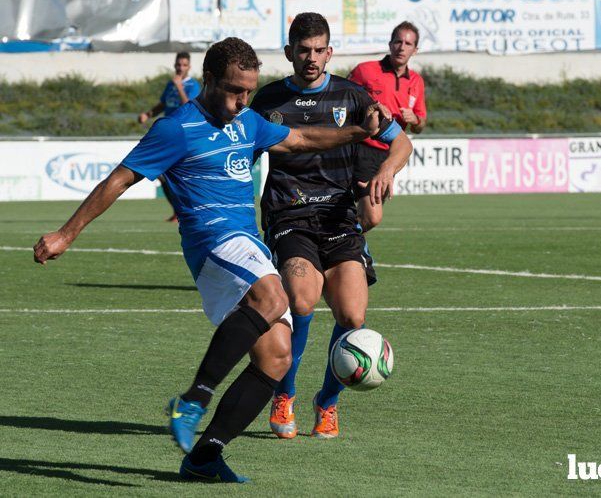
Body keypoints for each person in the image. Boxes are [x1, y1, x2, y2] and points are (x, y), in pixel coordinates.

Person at [33, 37, 388, 483]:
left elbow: (299, 139)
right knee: (275, 296)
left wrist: (358, 133)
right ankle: (192, 399)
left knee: (277, 357)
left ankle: (204, 456)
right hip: (212, 242)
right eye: (234, 91)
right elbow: (117, 181)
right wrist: (66, 234)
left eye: (248, 91)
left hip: (245, 245)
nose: (243, 101)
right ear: (208, 81)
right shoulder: (175, 128)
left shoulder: (249, 122)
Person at [250, 12, 412, 440]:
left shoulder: (353, 96)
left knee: (353, 315)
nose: (311, 58)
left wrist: (386, 172)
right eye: (303, 50)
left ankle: (328, 401)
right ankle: (284, 395)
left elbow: (402, 142)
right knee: (301, 302)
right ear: (289, 53)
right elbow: (244, 155)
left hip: (339, 218)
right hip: (289, 214)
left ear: (329, 52)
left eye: (319, 50)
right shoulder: (266, 101)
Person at [348, 21, 427, 231]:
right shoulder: (365, 71)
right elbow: (342, 103)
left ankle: (342, 248)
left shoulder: (417, 82)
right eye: (398, 41)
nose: (402, 47)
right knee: (372, 216)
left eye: (408, 43)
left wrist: (415, 120)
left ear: (415, 50)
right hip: (361, 149)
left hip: (390, 157)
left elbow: (421, 125)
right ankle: (340, 248)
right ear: (390, 44)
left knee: (363, 215)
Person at [138, 52, 202, 222]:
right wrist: (148, 114)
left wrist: (180, 87)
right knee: (162, 174)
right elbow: (163, 104)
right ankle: (179, 211)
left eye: (184, 65)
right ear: (174, 65)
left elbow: (189, 107)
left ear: (189, 67)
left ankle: (187, 211)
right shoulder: (170, 84)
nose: (180, 68)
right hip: (168, 133)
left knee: (178, 175)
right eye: (178, 65)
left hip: (184, 134)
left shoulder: (192, 85)